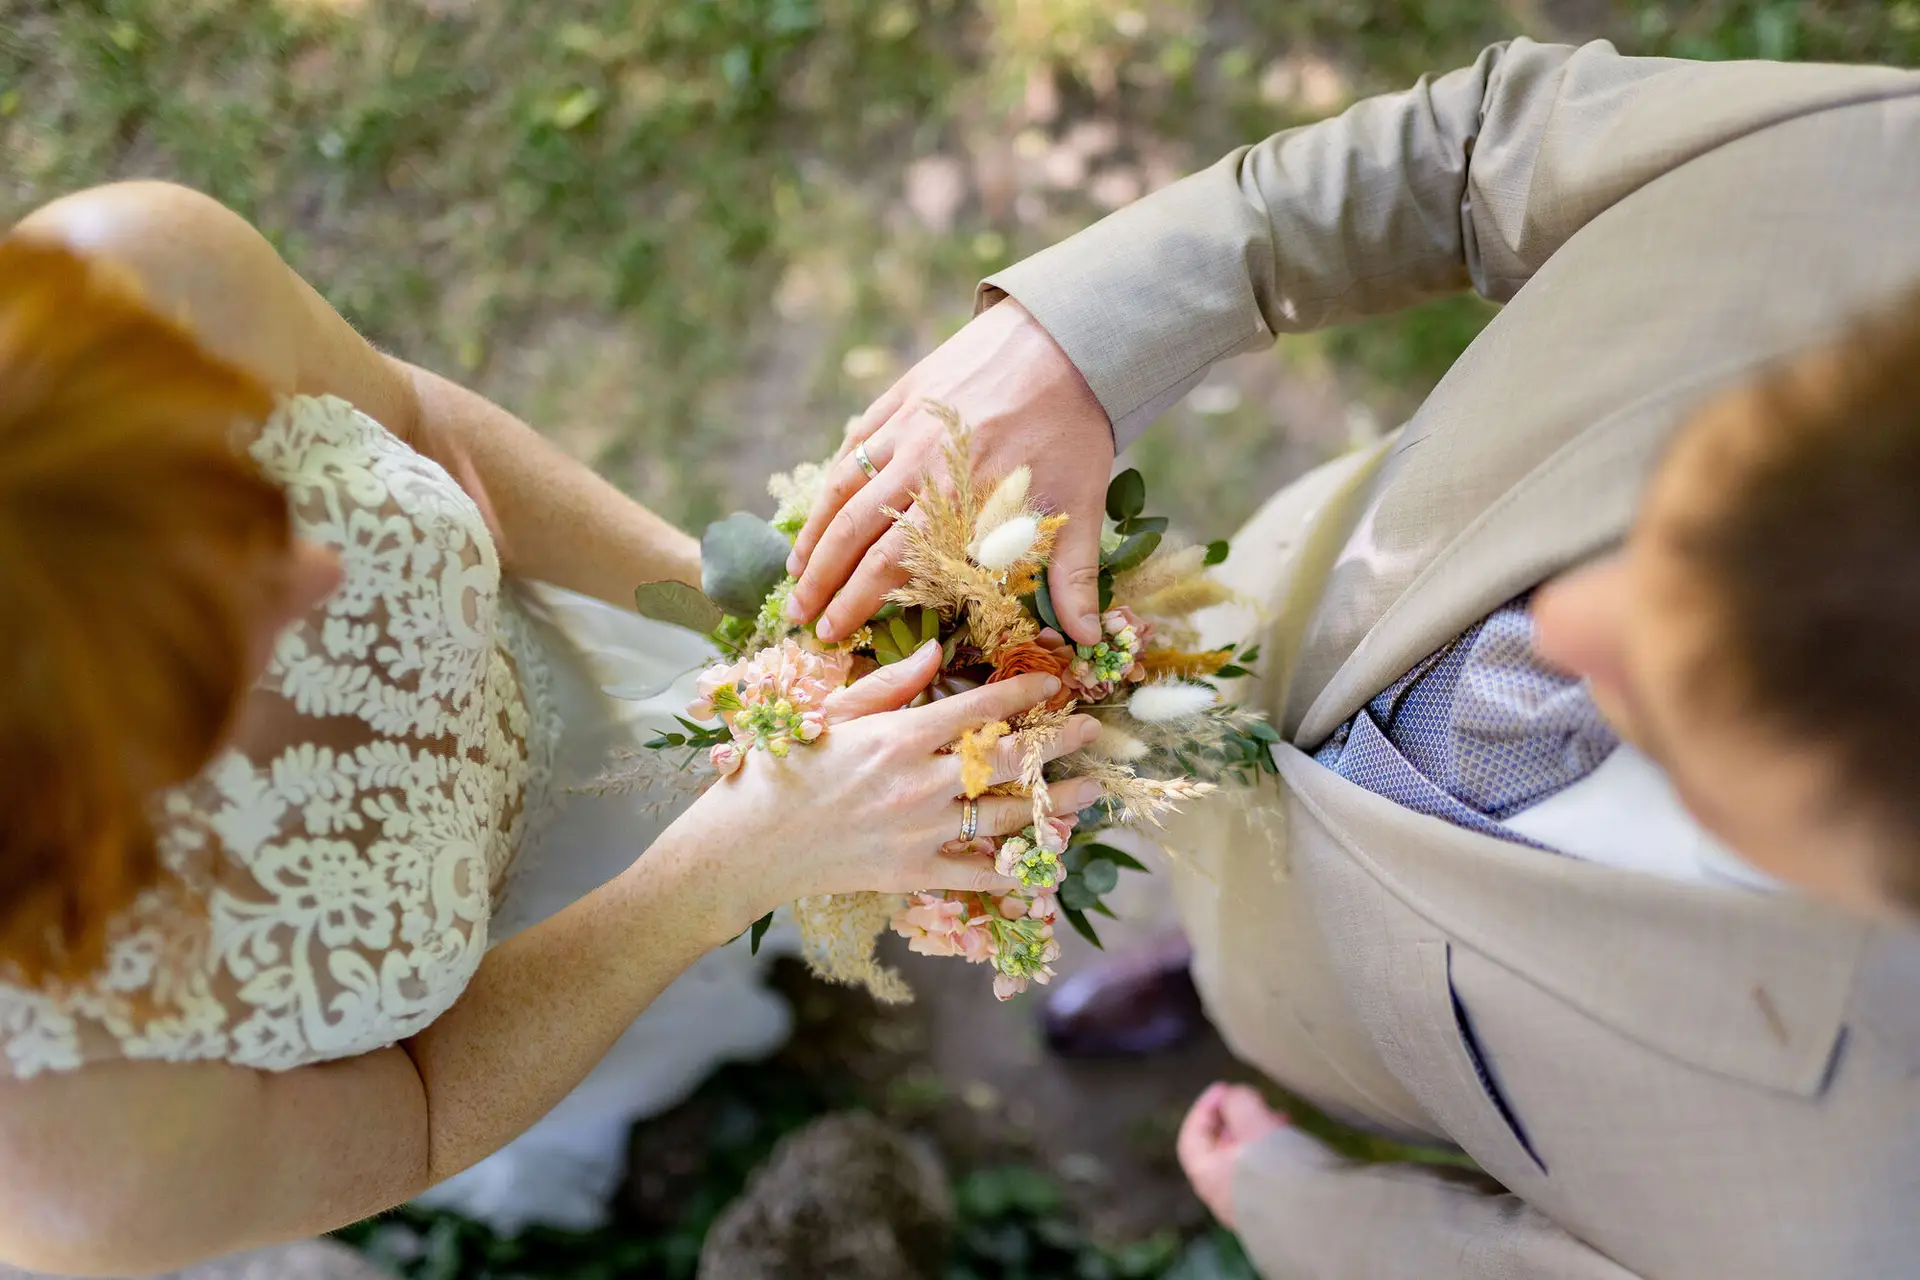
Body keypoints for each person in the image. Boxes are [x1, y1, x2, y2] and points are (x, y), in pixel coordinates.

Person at [786, 37, 1920, 1280]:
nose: (1562, 624)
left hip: (1362, 1028)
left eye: (1678, 705)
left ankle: (1229, 996)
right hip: (1277, 609)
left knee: (1269, 987)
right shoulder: (1883, 186)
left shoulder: (1854, 1215)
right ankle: (1212, 934)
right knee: (1192, 770)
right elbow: (1491, 142)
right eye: (1671, 534)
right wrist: (1096, 333)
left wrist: (1293, 1202)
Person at [0, 182, 1104, 1275]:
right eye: (221, 627)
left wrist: (763, 626)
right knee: (665, 1020)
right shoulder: (62, 1158)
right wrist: (725, 869)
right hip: (525, 989)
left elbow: (418, 422)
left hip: (595, 671)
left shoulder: (127, 290)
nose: (323, 570)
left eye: (258, 500)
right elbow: (421, 1110)